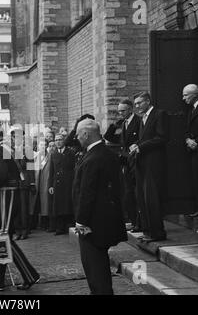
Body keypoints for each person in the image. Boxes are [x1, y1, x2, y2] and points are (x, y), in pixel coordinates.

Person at [73, 119, 127, 295]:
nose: (77, 137)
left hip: (93, 224)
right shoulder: (106, 153)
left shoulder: (94, 157)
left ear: (86, 134)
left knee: (95, 270)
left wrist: (81, 220)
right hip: (103, 219)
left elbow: (87, 192)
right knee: (99, 269)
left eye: (78, 134)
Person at [0, 125, 40, 291]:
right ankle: (0, 280)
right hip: (9, 196)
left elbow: (0, 175)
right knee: (3, 237)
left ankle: (30, 275)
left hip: (6, 196)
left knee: (4, 238)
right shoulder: (5, 148)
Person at [130, 92, 168, 242]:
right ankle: (148, 231)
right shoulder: (142, 119)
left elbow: (162, 137)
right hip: (142, 163)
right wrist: (136, 144)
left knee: (152, 199)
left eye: (139, 103)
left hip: (154, 163)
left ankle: (157, 233)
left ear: (147, 101)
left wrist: (142, 147)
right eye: (136, 104)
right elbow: (144, 138)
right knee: (143, 198)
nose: (137, 106)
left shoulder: (160, 114)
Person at [104, 99, 141, 232]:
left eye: (123, 110)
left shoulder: (138, 121)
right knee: (128, 193)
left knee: (136, 193)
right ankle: (133, 220)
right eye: (119, 111)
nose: (120, 113)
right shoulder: (124, 123)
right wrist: (114, 125)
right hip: (126, 163)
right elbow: (108, 137)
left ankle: (139, 222)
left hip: (136, 161)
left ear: (131, 109)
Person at [48, 132, 76, 235]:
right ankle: (59, 228)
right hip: (57, 183)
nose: (58, 142)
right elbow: (52, 171)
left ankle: (69, 225)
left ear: (64, 140)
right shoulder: (54, 154)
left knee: (68, 205)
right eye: (56, 140)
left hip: (68, 183)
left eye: (60, 140)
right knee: (58, 206)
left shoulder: (70, 153)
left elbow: (73, 168)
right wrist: (51, 185)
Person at [183, 84, 198, 217]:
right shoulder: (190, 110)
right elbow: (187, 130)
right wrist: (188, 139)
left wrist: (196, 143)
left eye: (186, 95)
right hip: (193, 151)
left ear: (195, 94)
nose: (183, 98)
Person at [35, 140, 53, 231]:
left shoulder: (49, 155)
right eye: (41, 144)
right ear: (38, 146)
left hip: (45, 181)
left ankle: (45, 223)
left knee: (45, 202)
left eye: (45, 145)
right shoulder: (35, 156)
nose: (43, 146)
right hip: (36, 181)